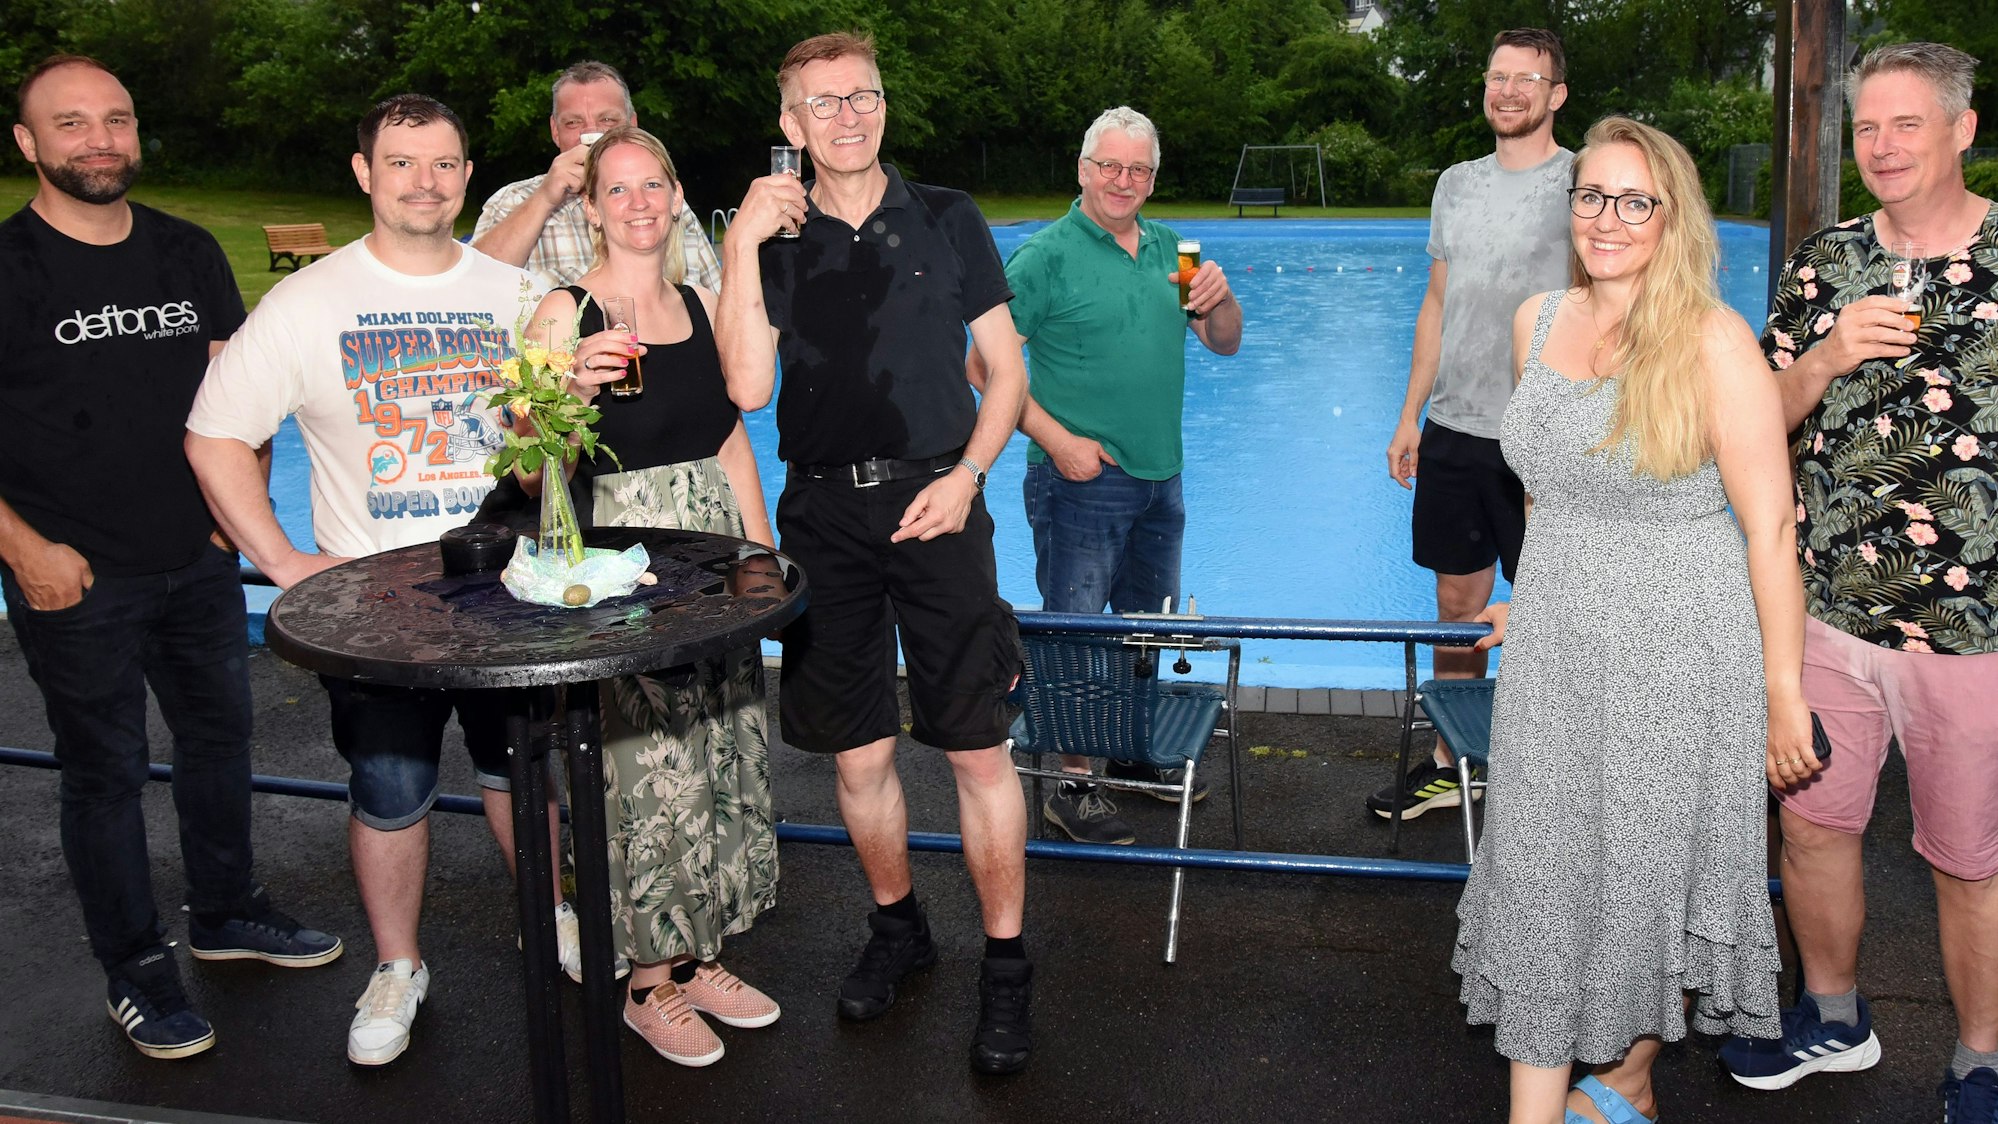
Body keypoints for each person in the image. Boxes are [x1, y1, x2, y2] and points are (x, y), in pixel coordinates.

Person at [182, 93, 578, 1068]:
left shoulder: (512, 294)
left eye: (443, 164)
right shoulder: (311, 300)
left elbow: (541, 457)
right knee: (389, 787)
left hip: (502, 594)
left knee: (523, 775)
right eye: (402, 163)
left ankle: (555, 913)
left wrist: (544, 444)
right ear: (365, 173)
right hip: (380, 613)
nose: (424, 182)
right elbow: (214, 433)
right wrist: (280, 558)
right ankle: (398, 963)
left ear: (467, 177)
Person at [1452, 116, 1806, 1124]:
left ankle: (1629, 1074)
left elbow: (1771, 524)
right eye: (1592, 196)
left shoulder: (1710, 339)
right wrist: (1535, 588)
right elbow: (1545, 484)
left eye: (1634, 199)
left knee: (1654, 874)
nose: (1608, 218)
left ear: (1672, 215)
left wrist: (1784, 695)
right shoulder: (1536, 319)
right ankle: (1574, 1095)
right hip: (1560, 644)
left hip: (1680, 649)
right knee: (1544, 869)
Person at [0, 53, 343, 1063]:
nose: (99, 139)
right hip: (74, 572)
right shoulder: (7, 269)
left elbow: (238, 395)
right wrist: (25, 549)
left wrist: (229, 519)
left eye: (115, 119)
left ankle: (226, 911)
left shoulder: (187, 253)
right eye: (71, 124)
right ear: (29, 144)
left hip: (192, 559)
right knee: (102, 772)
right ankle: (136, 966)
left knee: (216, 745)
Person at [713, 31, 1035, 1076]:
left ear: (884, 106)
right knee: (858, 755)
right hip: (823, 521)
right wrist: (736, 248)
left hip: (941, 499)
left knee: (977, 748)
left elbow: (1006, 372)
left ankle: (1006, 965)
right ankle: (898, 926)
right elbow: (749, 390)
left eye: (864, 96)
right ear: (790, 123)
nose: (848, 116)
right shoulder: (765, 236)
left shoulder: (948, 215)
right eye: (824, 102)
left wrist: (968, 477)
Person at [1718, 42, 1998, 1119]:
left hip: (1971, 629)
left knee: (1968, 858)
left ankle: (1978, 1055)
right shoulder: (1825, 261)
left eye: (1905, 124)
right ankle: (1832, 1010)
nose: (1880, 147)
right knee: (1813, 825)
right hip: (1826, 614)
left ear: (1961, 130)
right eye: (1866, 128)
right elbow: (1757, 423)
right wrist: (1827, 356)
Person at [510, 125, 780, 1069]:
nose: (637, 202)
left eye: (652, 184)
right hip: (622, 563)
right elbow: (535, 466)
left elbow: (730, 436)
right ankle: (644, 984)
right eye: (616, 188)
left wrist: (761, 551)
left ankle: (696, 953)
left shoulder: (703, 303)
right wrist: (569, 398)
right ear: (589, 206)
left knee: (714, 751)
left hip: (710, 552)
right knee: (644, 773)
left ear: (673, 197)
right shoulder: (562, 309)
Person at [965, 105, 1241, 845]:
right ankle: (1073, 784)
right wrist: (1060, 443)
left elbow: (1225, 344)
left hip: (1161, 475)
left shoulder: (1173, 250)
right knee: (1078, 633)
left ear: (1152, 178)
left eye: (1138, 169)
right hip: (1078, 480)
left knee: (1143, 631)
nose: (1124, 180)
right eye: (1110, 166)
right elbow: (981, 364)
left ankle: (1132, 755)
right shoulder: (1044, 256)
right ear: (1083, 170)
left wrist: (1220, 300)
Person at [1372, 27, 1575, 823]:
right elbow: (1437, 304)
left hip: (1547, 435)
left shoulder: (1581, 184)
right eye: (1499, 77)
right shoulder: (1456, 183)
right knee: (1458, 608)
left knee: (1556, 607)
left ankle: (1548, 767)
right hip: (1457, 430)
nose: (1510, 91)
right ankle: (1454, 759)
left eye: (1529, 78)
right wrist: (1410, 416)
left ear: (1556, 95)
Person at [473, 61, 722, 292]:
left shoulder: (660, 202)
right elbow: (474, 287)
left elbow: (718, 305)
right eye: (573, 123)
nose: (591, 134)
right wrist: (544, 200)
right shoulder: (512, 201)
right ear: (555, 131)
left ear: (632, 124)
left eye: (607, 120)